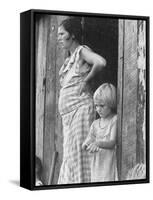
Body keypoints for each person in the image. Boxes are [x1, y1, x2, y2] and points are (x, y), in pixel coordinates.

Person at [57, 17, 106, 184]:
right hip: (69, 118)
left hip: (81, 111)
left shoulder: (81, 51)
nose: (59, 38)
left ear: (72, 35)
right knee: (70, 160)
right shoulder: (67, 62)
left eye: (61, 34)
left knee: (79, 159)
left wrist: (86, 81)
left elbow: (100, 62)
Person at [82, 83, 118, 182]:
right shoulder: (95, 124)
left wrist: (98, 143)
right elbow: (89, 139)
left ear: (111, 103)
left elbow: (112, 142)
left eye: (102, 106)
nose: (98, 109)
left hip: (108, 163)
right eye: (96, 105)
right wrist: (85, 145)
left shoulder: (114, 120)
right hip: (97, 162)